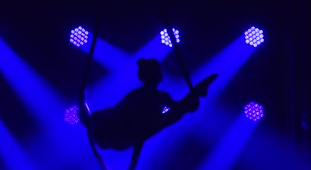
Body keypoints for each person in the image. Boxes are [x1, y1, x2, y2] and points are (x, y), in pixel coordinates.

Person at [79, 58, 217, 151]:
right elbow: (171, 113)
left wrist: (82, 101)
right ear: (159, 76)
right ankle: (191, 99)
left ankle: (190, 100)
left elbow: (169, 113)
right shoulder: (143, 96)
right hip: (117, 133)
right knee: (171, 113)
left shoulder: (145, 96)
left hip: (119, 133)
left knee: (170, 113)